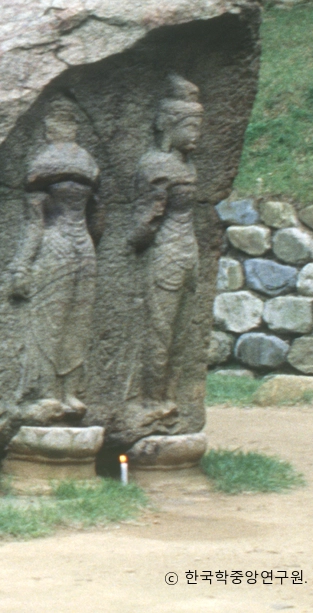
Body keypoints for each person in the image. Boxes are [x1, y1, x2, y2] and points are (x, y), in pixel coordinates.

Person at [9, 98, 100, 425]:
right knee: (51, 321)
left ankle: (68, 391)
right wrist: (21, 266)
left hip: (75, 244)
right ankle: (46, 392)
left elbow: (94, 216)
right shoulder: (50, 164)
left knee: (77, 320)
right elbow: (34, 222)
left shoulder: (79, 162)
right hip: (62, 244)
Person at [130, 73, 203, 416]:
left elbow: (146, 223)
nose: (197, 135)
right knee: (161, 331)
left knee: (180, 333)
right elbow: (149, 219)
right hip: (170, 255)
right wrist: (131, 244)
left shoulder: (187, 166)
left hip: (186, 253)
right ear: (169, 126)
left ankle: (170, 398)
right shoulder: (156, 164)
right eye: (190, 127)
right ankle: (152, 399)